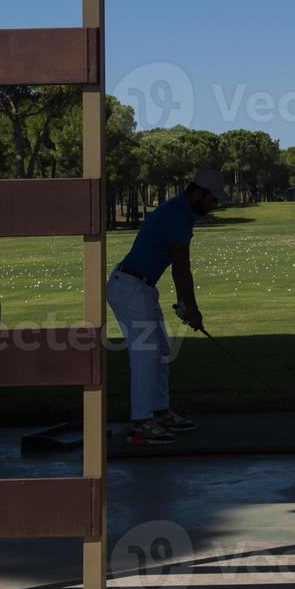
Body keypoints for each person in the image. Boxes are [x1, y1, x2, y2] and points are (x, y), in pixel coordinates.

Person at [108, 166, 228, 445]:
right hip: (129, 288)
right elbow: (181, 268)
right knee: (146, 353)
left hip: (141, 288)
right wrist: (192, 309)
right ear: (197, 192)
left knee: (161, 350)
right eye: (212, 200)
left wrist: (184, 303)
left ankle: (160, 412)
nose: (213, 206)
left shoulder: (180, 212)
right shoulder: (177, 215)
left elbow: (178, 269)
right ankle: (141, 424)